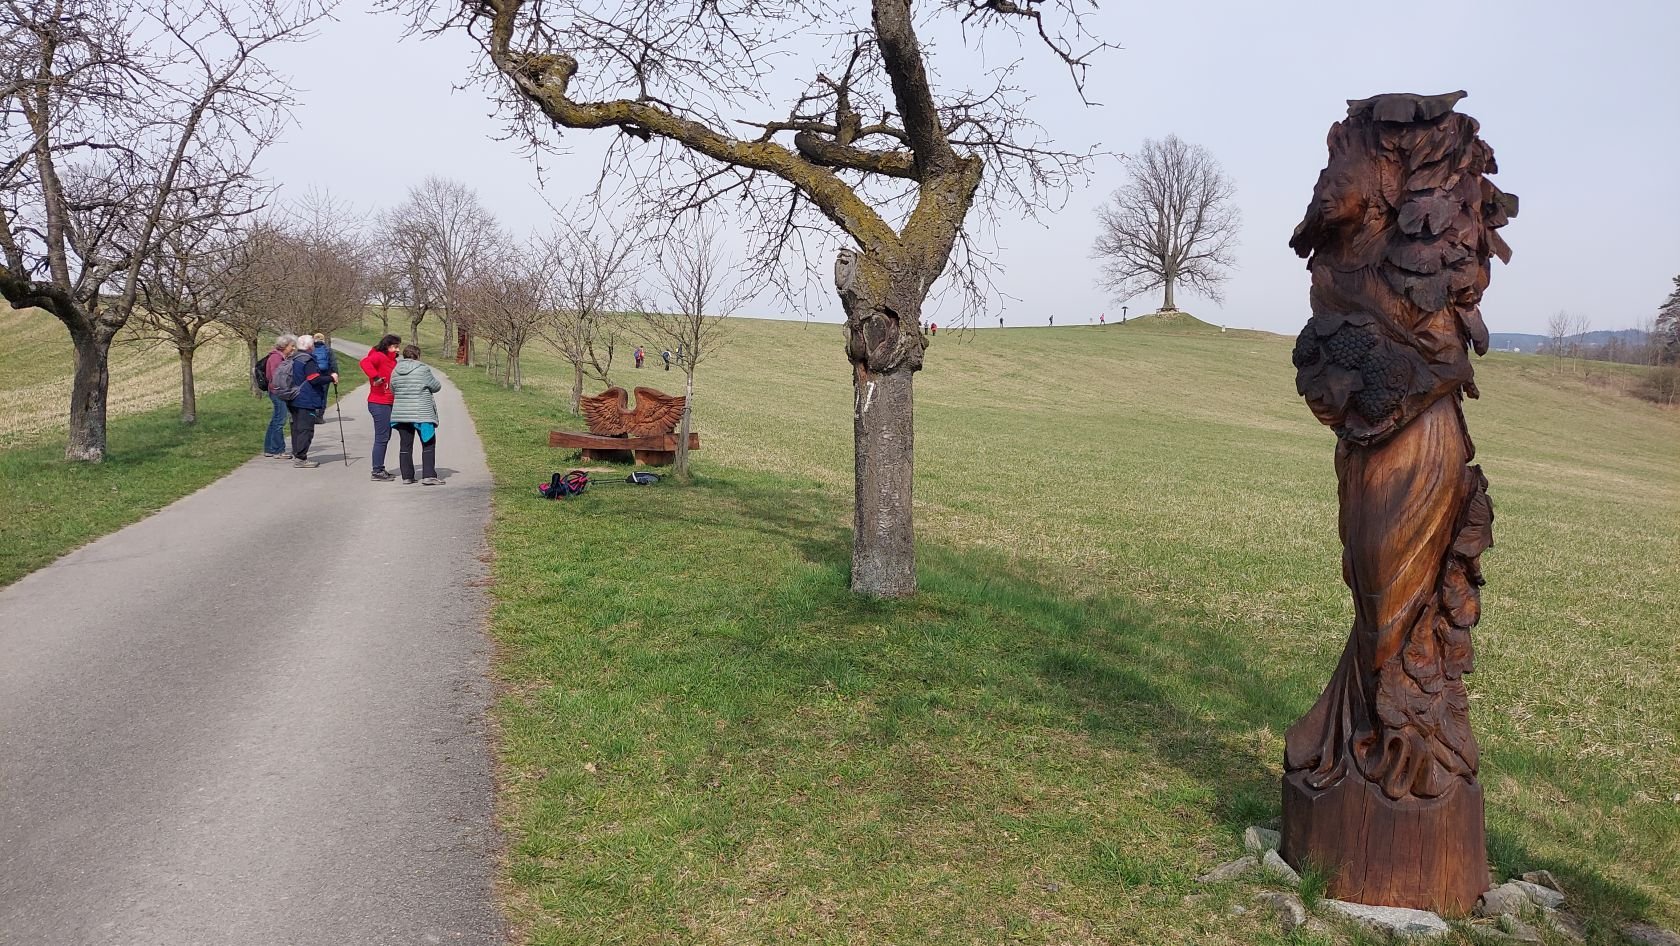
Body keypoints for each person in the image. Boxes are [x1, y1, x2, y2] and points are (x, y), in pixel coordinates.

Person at [389, 344, 443, 485]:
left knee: (405, 445)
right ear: (418, 355)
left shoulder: (395, 370)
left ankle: (407, 476)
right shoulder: (423, 369)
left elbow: (393, 389)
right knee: (428, 442)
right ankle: (429, 475)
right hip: (421, 413)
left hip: (401, 414)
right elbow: (436, 386)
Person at [286, 335, 337, 468]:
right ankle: (301, 458)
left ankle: (297, 453)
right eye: (313, 344)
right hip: (305, 398)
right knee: (306, 429)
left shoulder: (293, 357)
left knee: (296, 428)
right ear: (309, 346)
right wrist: (331, 378)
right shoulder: (308, 360)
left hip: (292, 397)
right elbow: (314, 379)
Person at [360, 334, 402, 481]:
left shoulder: (392, 360)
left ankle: (380, 468)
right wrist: (376, 377)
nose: (398, 349)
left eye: (398, 347)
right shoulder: (379, 356)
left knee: (386, 436)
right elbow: (365, 363)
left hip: (388, 401)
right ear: (387, 346)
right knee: (382, 437)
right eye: (395, 346)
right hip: (379, 402)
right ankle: (377, 470)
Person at [261, 333, 296, 458]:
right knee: (280, 421)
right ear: (284, 346)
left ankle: (269, 448)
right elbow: (277, 377)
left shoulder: (279, 357)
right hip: (278, 392)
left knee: (275, 420)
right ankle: (278, 450)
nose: (293, 348)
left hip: (276, 391)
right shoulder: (276, 358)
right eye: (291, 346)